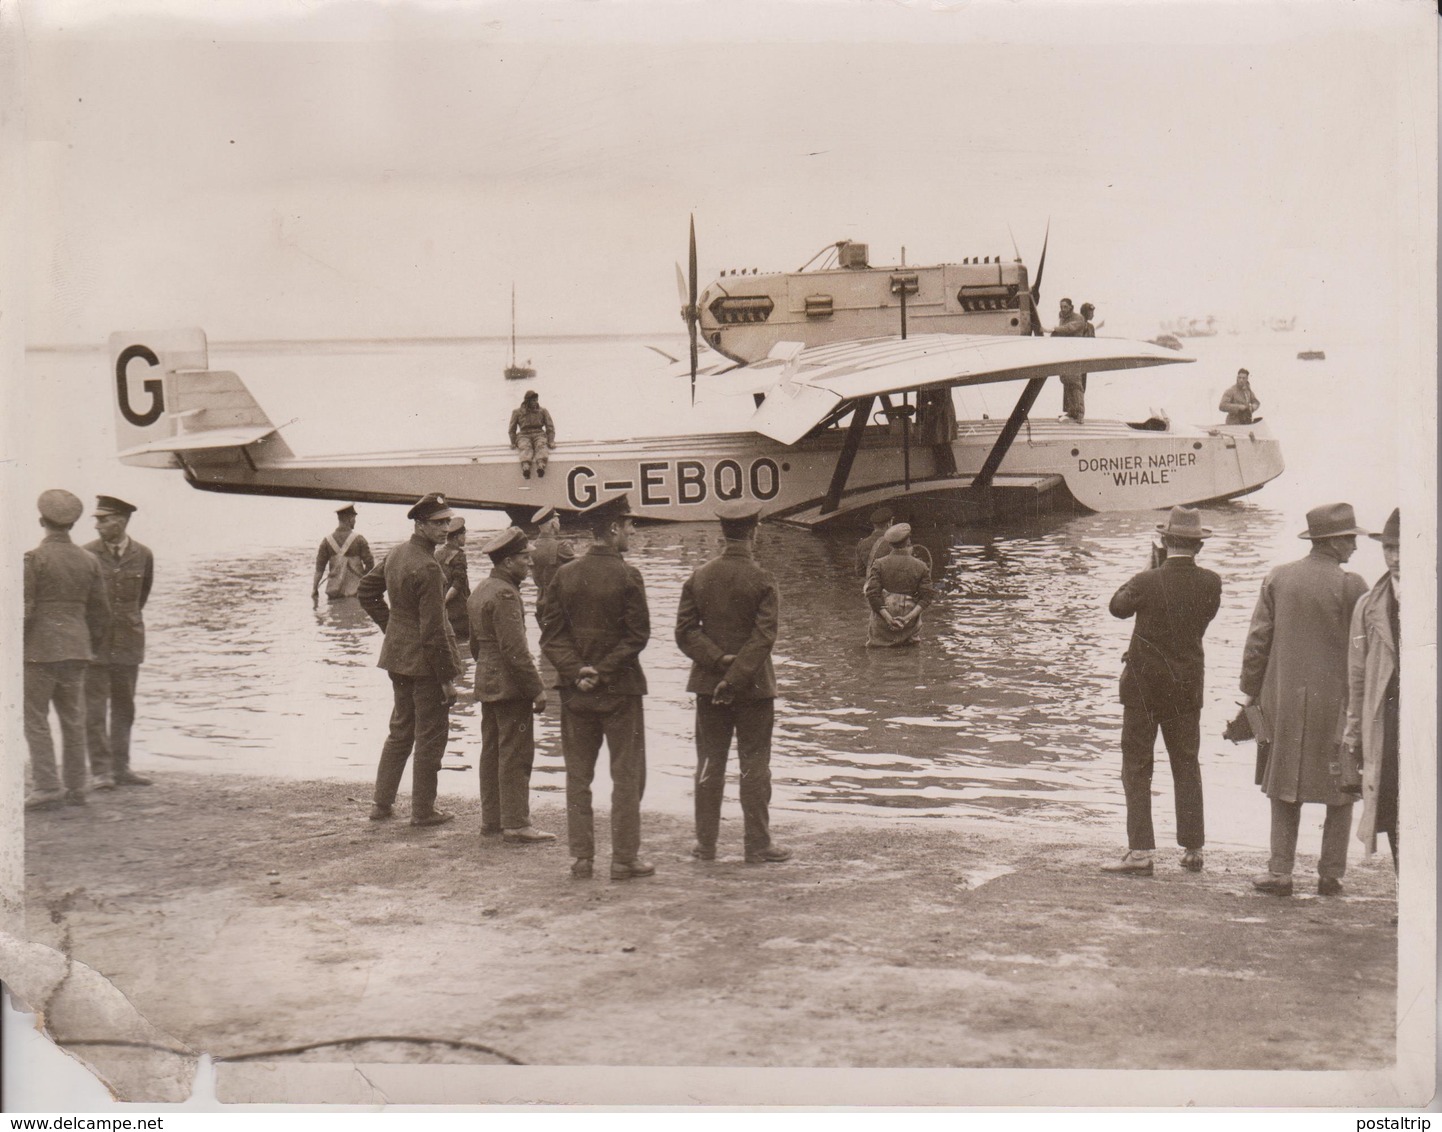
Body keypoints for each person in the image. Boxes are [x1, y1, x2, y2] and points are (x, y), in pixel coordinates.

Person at [1242, 502, 1369, 896]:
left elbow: (1258, 641)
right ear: (1332, 542)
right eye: (1349, 538)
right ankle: (1331, 874)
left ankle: (1280, 872)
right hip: (1336, 705)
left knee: (1284, 784)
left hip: (1283, 700)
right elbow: (1363, 648)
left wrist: (1250, 690)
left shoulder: (1278, 578)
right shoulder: (1353, 586)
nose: (1355, 546)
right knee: (1342, 786)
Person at [1101, 507, 1222, 876]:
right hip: (1186, 687)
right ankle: (1193, 848)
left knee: (1137, 767)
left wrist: (1149, 567)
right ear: (1198, 546)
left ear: (1165, 541)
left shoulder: (1146, 580)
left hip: (1143, 688)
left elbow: (1117, 607)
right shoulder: (1212, 583)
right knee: (1186, 763)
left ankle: (1140, 852)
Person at [539, 494, 652, 880]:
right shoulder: (628, 575)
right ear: (614, 528)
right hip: (621, 691)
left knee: (578, 776)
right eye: (629, 525)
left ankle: (582, 858)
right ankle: (623, 859)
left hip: (575, 695)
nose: (632, 532)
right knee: (626, 775)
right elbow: (637, 636)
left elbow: (550, 636)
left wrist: (577, 672)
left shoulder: (564, 575)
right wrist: (602, 672)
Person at [675, 500, 790, 865]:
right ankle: (757, 844)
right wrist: (738, 673)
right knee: (755, 765)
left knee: (710, 763)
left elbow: (684, 632)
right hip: (754, 687)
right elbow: (764, 636)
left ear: (722, 533)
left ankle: (705, 845)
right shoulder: (763, 579)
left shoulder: (699, 576)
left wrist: (718, 662)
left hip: (709, 685)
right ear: (754, 532)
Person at [358, 492, 463, 827]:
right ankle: (423, 810)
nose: (445, 528)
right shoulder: (429, 567)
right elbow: (433, 631)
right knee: (431, 734)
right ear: (420, 524)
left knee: (400, 729)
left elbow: (366, 590)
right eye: (437, 523)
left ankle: (381, 803)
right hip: (425, 665)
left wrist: (392, 628)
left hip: (398, 659)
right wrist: (447, 680)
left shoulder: (397, 553)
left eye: (447, 521)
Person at [468, 527, 555, 845]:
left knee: (491, 752)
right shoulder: (506, 594)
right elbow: (515, 651)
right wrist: (537, 688)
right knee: (516, 753)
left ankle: (492, 820)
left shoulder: (481, 589)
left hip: (487, 680)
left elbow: (476, 645)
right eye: (524, 558)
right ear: (507, 562)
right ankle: (517, 823)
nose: (530, 564)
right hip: (509, 684)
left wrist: (488, 671)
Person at [24, 490, 111, 809]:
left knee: (34, 718)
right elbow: (101, 613)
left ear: (42, 521)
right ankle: (76, 786)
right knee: (73, 718)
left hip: (40, 650)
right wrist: (89, 645)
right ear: (73, 524)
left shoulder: (34, 559)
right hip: (78, 648)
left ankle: (47, 786)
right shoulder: (89, 560)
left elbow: (26, 609)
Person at [84, 495, 156, 788]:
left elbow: (142, 596)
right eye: (97, 520)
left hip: (128, 642)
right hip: (96, 644)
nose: (98, 525)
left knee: (125, 707)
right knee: (95, 709)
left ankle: (121, 768)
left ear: (122, 521)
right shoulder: (86, 554)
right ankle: (101, 772)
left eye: (104, 519)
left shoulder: (144, 554)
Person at [1344, 508, 1400, 873]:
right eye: (1389, 548)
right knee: (1393, 806)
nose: (1395, 557)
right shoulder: (1368, 605)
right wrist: (1353, 732)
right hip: (1387, 721)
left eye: (1402, 548)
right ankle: (1408, 893)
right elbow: (1358, 675)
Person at [864, 523, 935, 647]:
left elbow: (872, 594)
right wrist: (908, 618)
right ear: (908, 541)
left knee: (878, 648)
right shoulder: (921, 566)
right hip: (910, 611)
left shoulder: (879, 564)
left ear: (890, 544)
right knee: (911, 649)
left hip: (885, 611)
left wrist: (888, 619)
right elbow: (927, 597)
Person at [311, 504, 374, 603]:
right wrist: (365, 584)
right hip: (356, 593)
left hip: (334, 594)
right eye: (354, 518)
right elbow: (370, 564)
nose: (355, 521)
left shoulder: (326, 541)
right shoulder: (359, 540)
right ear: (350, 518)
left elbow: (319, 570)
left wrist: (314, 589)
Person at [528, 505, 573, 623]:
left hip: (540, 603)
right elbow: (580, 569)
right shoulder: (561, 547)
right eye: (557, 520)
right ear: (553, 524)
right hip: (559, 606)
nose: (559, 523)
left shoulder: (531, 548)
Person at [1053, 299, 1093, 422]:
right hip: (1065, 355)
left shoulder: (1078, 319)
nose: (1063, 309)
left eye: (1065, 306)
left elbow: (1069, 329)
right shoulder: (1063, 318)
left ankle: (1080, 414)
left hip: (1077, 356)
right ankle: (1072, 411)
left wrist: (1054, 329)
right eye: (1061, 307)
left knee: (1076, 384)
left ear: (1071, 307)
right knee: (1066, 381)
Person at [435, 515, 471, 644]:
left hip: (443, 612)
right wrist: (444, 601)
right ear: (457, 537)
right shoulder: (459, 555)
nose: (465, 538)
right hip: (459, 611)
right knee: (462, 644)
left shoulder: (438, 553)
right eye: (464, 534)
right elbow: (458, 584)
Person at [508, 390, 556, 480]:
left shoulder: (543, 411)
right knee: (525, 446)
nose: (535, 402)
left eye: (536, 400)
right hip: (523, 434)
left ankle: (541, 465)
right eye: (533, 400)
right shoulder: (517, 412)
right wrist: (513, 442)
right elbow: (512, 429)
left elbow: (550, 427)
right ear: (527, 401)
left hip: (539, 433)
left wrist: (551, 440)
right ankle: (526, 467)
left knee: (541, 445)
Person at [856, 507, 893, 577]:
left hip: (871, 585)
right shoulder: (893, 543)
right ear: (889, 524)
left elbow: (860, 572)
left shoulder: (862, 543)